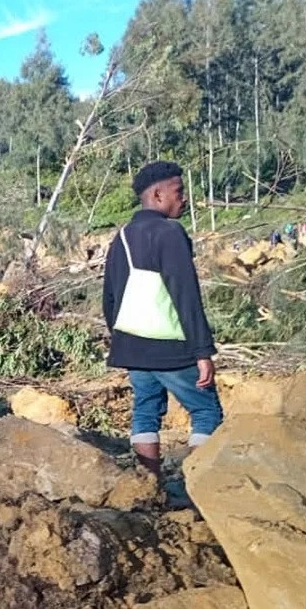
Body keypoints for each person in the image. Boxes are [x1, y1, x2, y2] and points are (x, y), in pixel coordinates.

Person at [102, 160, 223, 477]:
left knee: (145, 411)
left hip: (132, 344)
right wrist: (202, 352)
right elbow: (185, 294)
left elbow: (110, 297)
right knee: (206, 410)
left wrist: (123, 340)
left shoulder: (123, 236)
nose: (184, 199)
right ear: (157, 195)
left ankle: (149, 485)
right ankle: (196, 485)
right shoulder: (170, 233)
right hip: (171, 346)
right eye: (178, 191)